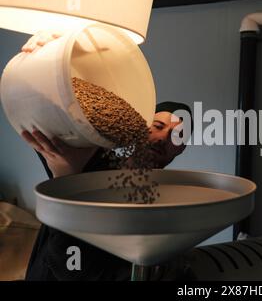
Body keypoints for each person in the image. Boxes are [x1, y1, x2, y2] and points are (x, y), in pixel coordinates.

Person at [20, 33, 193, 280]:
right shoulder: (90, 157)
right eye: (157, 126)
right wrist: (45, 62)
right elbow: (49, 118)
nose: (164, 137)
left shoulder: (167, 202)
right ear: (140, 126)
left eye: (177, 136)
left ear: (182, 148)